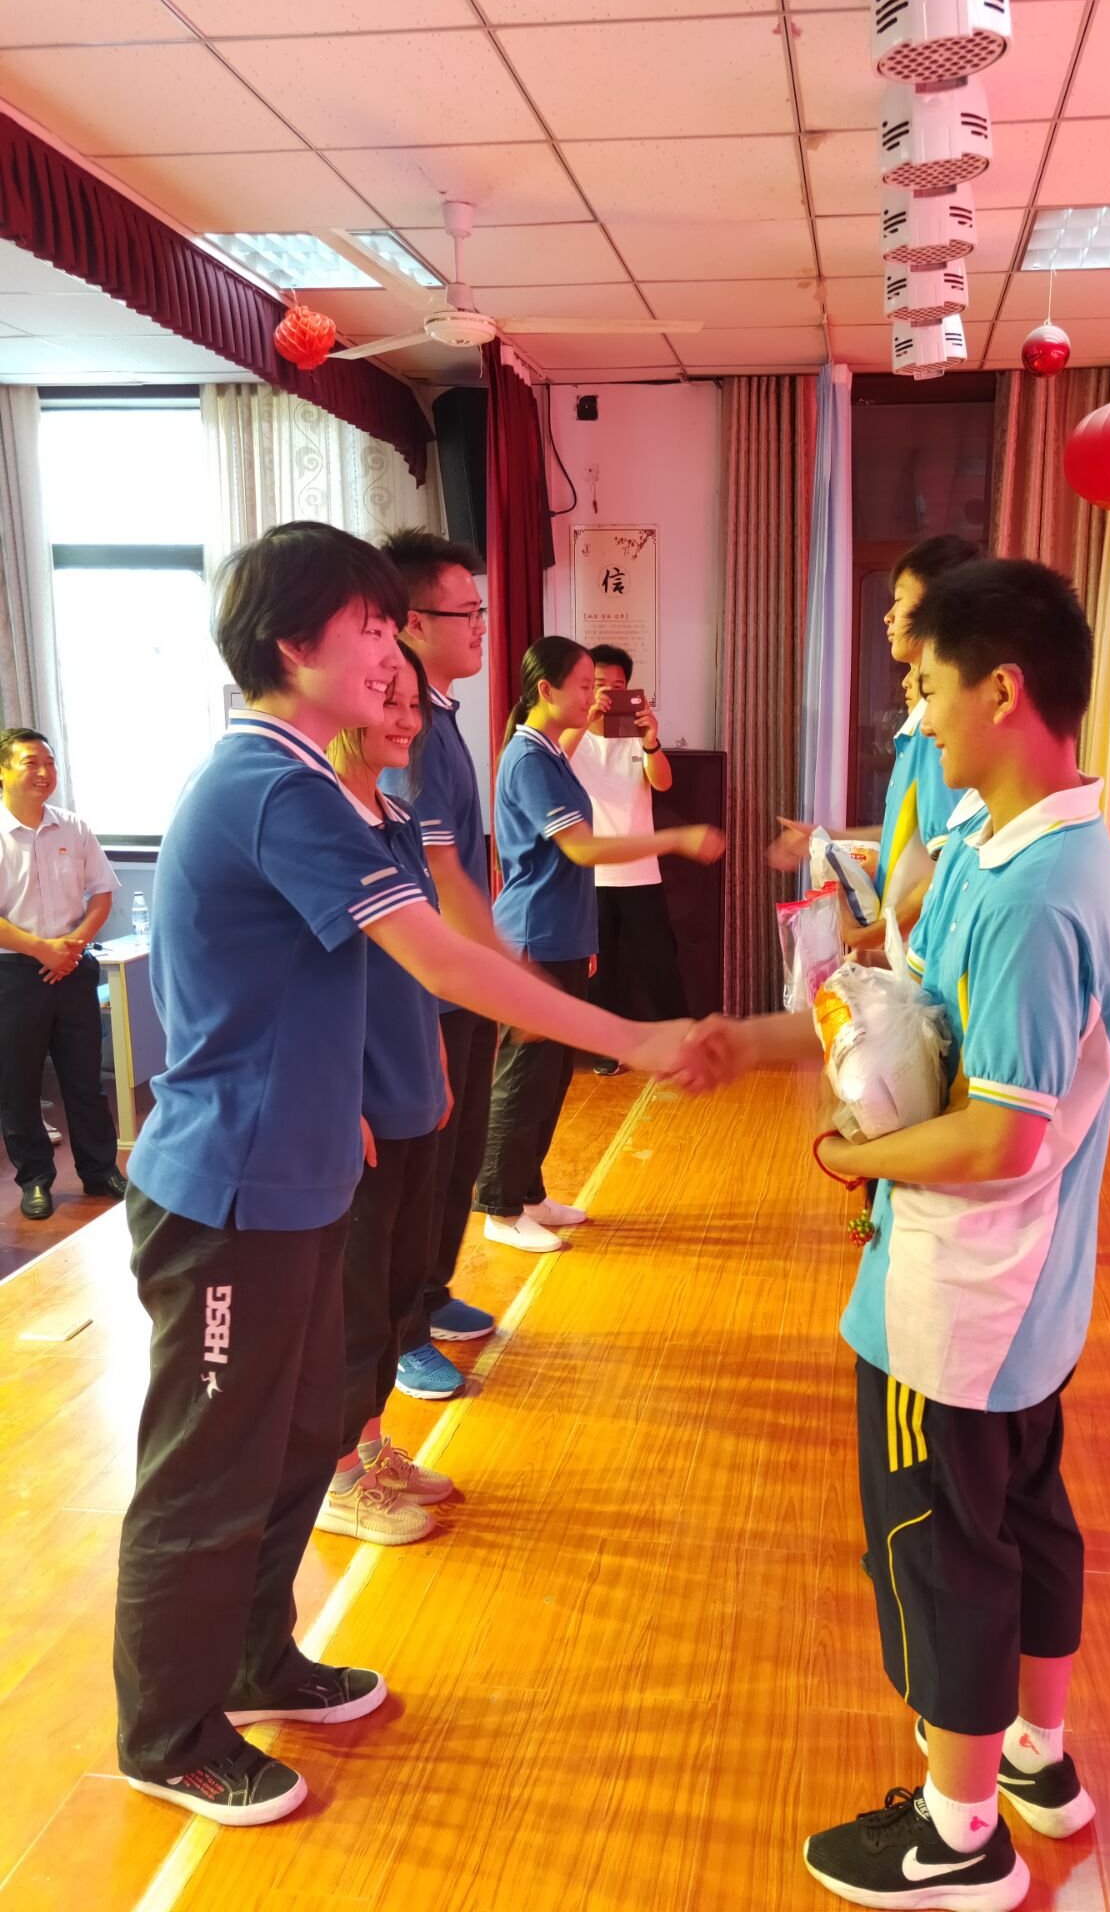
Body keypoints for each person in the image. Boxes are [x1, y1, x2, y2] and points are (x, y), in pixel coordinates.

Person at [114, 523, 708, 1830]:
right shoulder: (269, 784)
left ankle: (258, 1661)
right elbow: (443, 961)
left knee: (291, 1444)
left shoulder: (321, 783)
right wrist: (634, 1039)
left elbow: (377, 964)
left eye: (396, 626)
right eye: (370, 627)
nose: (393, 653)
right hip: (225, 1193)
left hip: (298, 1176)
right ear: (292, 647)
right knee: (209, 1465)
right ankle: (166, 1733)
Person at [690, 559, 1110, 1911]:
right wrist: (758, 1041)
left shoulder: (1031, 892)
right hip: (1030, 1303)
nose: (918, 715)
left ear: (1004, 690)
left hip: (958, 1304)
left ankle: (957, 1835)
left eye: (930, 686)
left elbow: (999, 1136)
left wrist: (852, 1157)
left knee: (941, 1554)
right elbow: (918, 1019)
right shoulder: (1027, 845)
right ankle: (1035, 1761)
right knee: (1027, 1524)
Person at [475, 637, 724, 1254]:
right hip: (533, 936)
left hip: (560, 933)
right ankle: (499, 1207)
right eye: (585, 686)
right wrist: (676, 839)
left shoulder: (551, 752)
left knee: (553, 1075)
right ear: (546, 691)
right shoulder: (529, 758)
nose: (596, 697)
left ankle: (528, 1192)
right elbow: (583, 848)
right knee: (526, 1075)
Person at [319, 646, 456, 1546]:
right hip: (360, 1107)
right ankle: (337, 1476)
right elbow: (311, 983)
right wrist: (342, 1102)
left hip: (415, 1090)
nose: (408, 719)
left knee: (402, 1287)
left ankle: (372, 1448)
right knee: (355, 1302)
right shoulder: (323, 825)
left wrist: (436, 1059)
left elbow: (423, 961)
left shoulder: (399, 818)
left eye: (414, 705)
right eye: (389, 701)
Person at [378, 529, 498, 1405]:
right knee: (422, 1167)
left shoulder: (443, 719)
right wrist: (500, 974)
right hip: (433, 987)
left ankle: (430, 1292)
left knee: (458, 1155)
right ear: (413, 623)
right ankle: (401, 1334)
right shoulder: (409, 731)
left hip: (465, 979)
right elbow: (437, 875)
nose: (481, 626)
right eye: (468, 612)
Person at [771, 535, 979, 952]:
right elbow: (909, 833)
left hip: (916, 948)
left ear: (939, 606)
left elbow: (948, 865)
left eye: (899, 600)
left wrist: (871, 937)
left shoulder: (934, 733)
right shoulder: (921, 728)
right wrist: (827, 836)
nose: (888, 617)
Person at [0, 727, 126, 1220]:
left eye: (49, 762)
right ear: (3, 772)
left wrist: (70, 948)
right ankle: (35, 1179)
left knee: (85, 1080)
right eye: (31, 762)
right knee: (18, 1084)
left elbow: (102, 894)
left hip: (73, 967)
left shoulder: (73, 827)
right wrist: (42, 949)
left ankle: (100, 1170)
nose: (44, 772)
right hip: (12, 973)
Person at [562, 643, 689, 1075]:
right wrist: (587, 718)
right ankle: (606, 1051)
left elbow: (664, 782)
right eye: (598, 684)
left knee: (659, 962)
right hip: (590, 874)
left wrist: (651, 741)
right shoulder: (571, 736)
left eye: (618, 686)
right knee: (601, 970)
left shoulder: (636, 734)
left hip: (640, 871)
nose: (608, 693)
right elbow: (555, 761)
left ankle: (680, 1044)